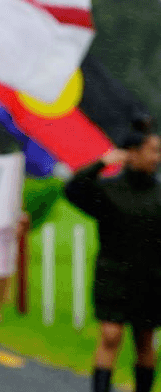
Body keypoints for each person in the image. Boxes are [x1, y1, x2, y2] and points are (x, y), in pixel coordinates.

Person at [64, 124, 161, 392]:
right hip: (114, 275)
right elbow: (72, 189)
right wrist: (101, 163)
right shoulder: (108, 190)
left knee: (144, 339)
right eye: (152, 150)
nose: (157, 157)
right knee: (110, 335)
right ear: (132, 152)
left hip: (151, 279)